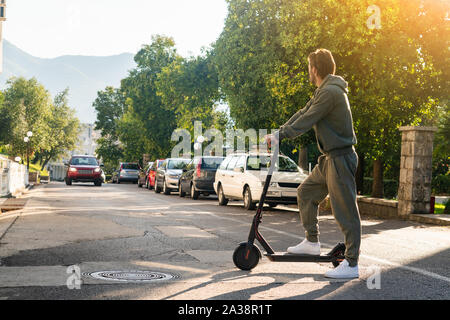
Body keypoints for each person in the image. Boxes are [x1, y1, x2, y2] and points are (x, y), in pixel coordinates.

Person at [266, 49, 361, 279]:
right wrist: (279, 132)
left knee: (345, 211)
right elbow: (303, 112)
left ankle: (351, 264)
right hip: (329, 159)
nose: (308, 71)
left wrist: (283, 134)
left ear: (315, 69)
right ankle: (311, 241)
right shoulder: (324, 90)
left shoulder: (329, 93)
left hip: (340, 158)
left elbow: (308, 120)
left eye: (308, 67)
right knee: (306, 192)